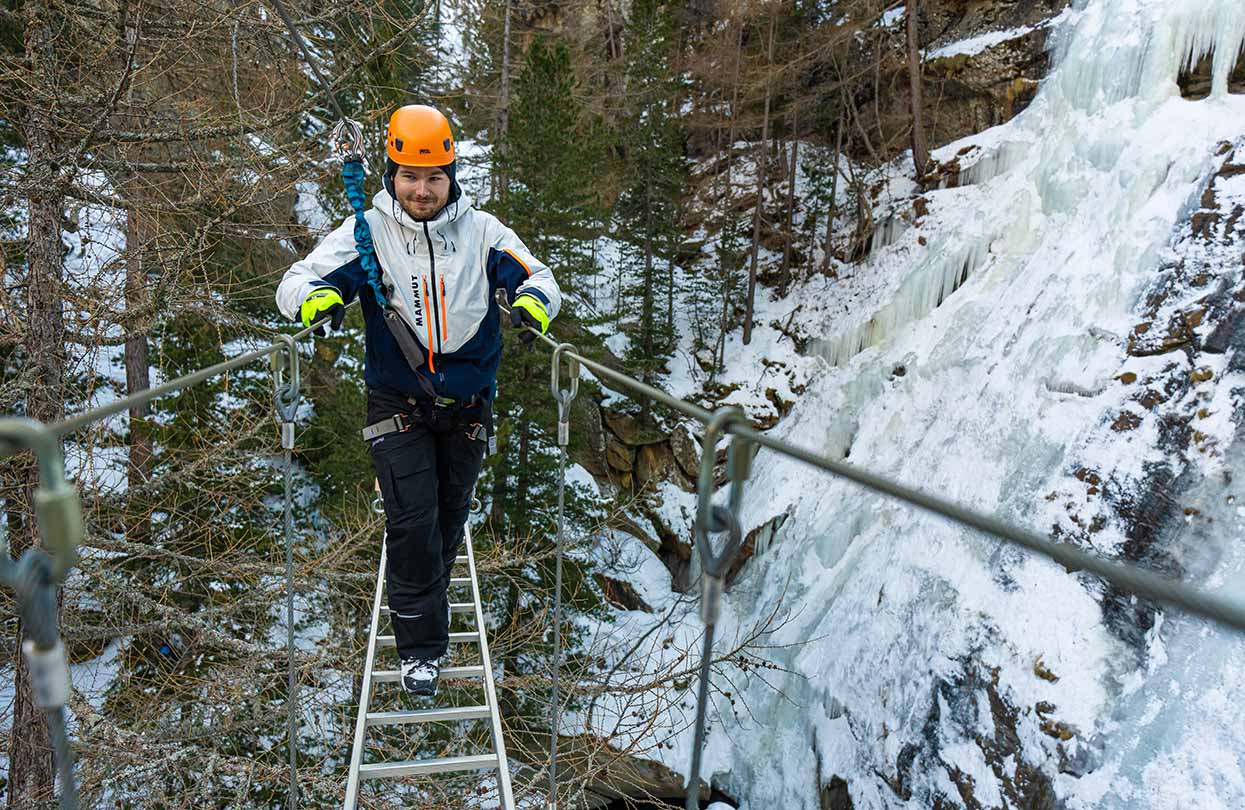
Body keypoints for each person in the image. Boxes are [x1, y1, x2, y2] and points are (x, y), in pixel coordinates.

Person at [275, 104, 561, 696]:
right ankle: (421, 649)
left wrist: (531, 303)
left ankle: (424, 589)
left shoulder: (483, 232)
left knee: (447, 521)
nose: (422, 190)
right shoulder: (367, 232)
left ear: (452, 175)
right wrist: (316, 301)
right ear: (391, 173)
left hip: (468, 404)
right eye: (410, 176)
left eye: (434, 178)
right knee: (413, 522)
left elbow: (539, 277)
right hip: (397, 400)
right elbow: (296, 280)